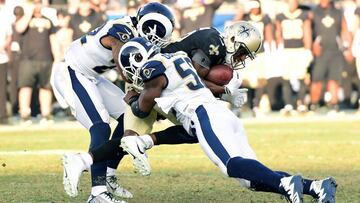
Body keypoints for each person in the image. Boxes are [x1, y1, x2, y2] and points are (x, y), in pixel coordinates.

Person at [63, 37, 337, 203]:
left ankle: (286, 184)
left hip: (204, 115)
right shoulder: (178, 57)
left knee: (233, 166)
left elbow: (144, 109)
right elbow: (189, 108)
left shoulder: (152, 68)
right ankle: (315, 186)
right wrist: (150, 138)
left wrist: (135, 98)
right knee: (249, 177)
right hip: (217, 114)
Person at [54, 2, 176, 203]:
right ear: (149, 26)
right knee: (100, 127)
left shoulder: (135, 30)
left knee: (129, 116)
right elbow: (123, 67)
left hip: (93, 76)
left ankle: (108, 173)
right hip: (73, 72)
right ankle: (97, 194)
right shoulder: (122, 30)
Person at [15, 1, 57, 124]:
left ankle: (46, 115)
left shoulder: (48, 20)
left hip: (46, 59)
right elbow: (19, 28)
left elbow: (53, 39)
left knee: (46, 87)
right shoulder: (25, 19)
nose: (37, 5)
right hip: (28, 60)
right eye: (34, 3)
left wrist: (57, 58)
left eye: (39, 3)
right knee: (25, 87)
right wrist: (29, 12)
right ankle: (24, 116)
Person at [310, 0, 352, 114]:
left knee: (334, 79)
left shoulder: (338, 12)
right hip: (320, 52)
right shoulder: (314, 11)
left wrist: (347, 48)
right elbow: (308, 29)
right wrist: (312, 45)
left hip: (335, 51)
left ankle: (334, 104)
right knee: (317, 79)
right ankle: (313, 104)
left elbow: (345, 31)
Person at [275, 0, 313, 115]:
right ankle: (288, 104)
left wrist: (308, 49)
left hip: (299, 49)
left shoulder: (303, 15)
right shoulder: (281, 16)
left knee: (301, 77)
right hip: (286, 50)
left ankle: (301, 104)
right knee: (286, 78)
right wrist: (278, 49)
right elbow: (278, 34)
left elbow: (307, 33)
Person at [0, 0, 12, 124]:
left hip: (2, 57)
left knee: (2, 88)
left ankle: (2, 115)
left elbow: (9, 36)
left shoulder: (4, 16)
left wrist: (4, 46)